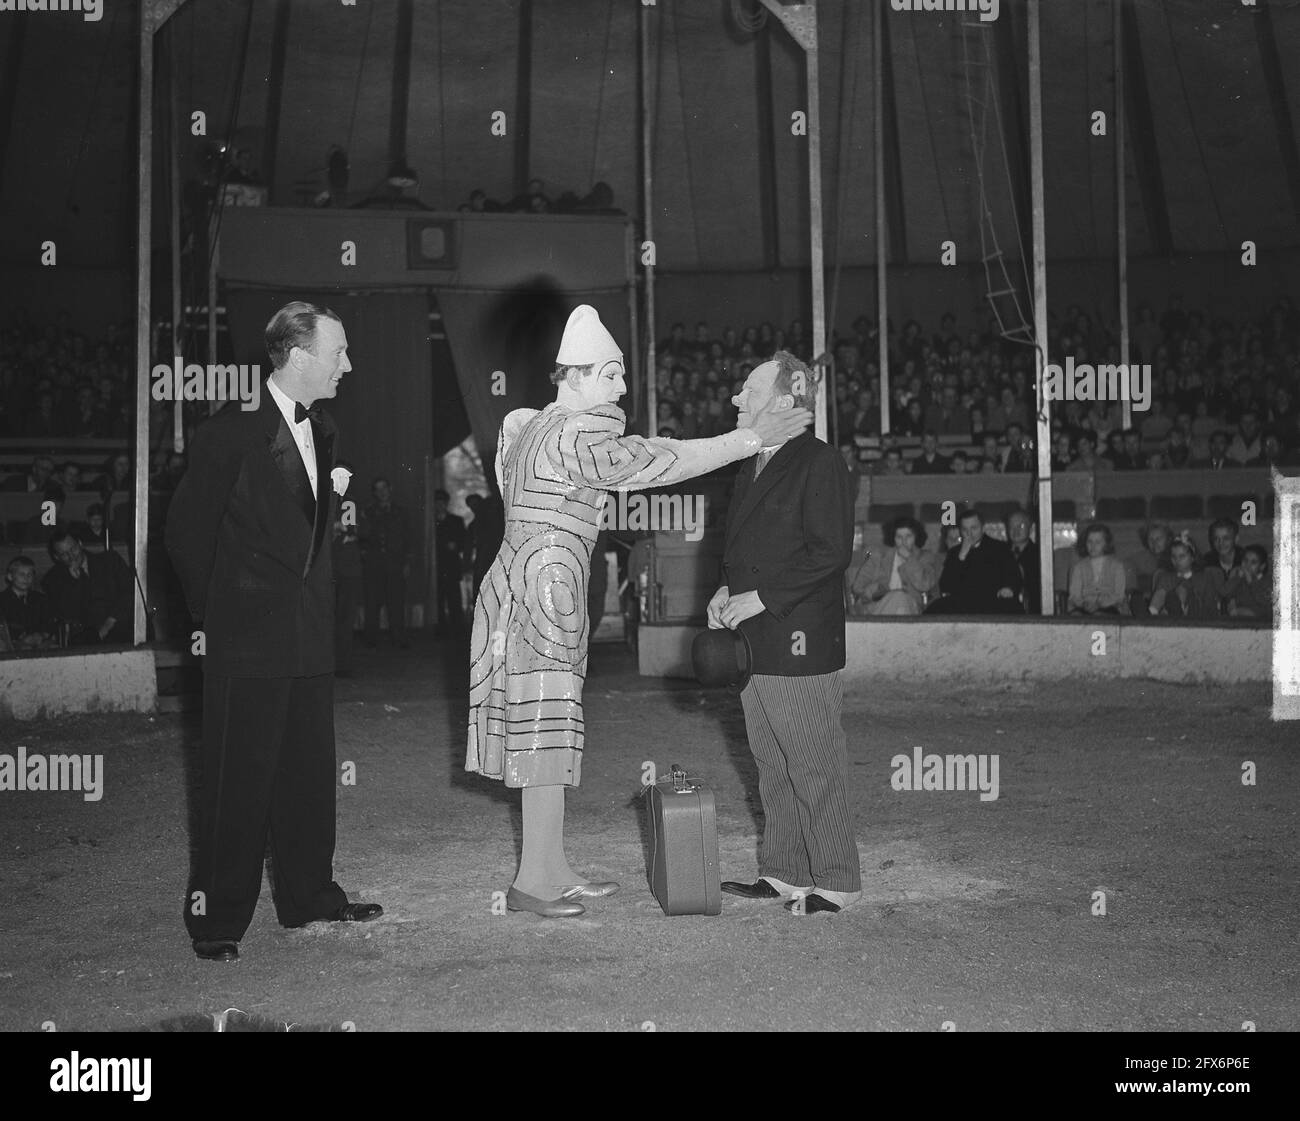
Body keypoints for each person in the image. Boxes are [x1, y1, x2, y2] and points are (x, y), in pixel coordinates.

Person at [466, 307, 811, 918]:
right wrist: (749, 439)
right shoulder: (574, 434)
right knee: (544, 731)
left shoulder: (534, 426)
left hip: (538, 586)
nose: (623, 388)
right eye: (613, 374)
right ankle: (532, 883)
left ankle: (549, 866)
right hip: (544, 589)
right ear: (575, 377)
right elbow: (657, 461)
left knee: (549, 730)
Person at [165, 300, 382, 963]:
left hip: (309, 637)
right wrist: (219, 618)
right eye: (338, 351)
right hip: (245, 638)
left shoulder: (329, 430)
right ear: (297, 355)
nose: (347, 363)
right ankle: (218, 919)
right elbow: (183, 535)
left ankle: (310, 896)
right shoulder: (226, 435)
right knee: (238, 781)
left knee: (308, 777)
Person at [710, 350, 858, 914]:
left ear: (784, 400)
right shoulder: (751, 464)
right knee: (772, 766)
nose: (736, 399)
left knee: (814, 765)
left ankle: (837, 881)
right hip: (753, 642)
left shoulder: (818, 461)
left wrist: (762, 598)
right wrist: (723, 590)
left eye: (748, 390)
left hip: (799, 642)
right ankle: (785, 873)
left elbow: (830, 552)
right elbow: (739, 552)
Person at [42, 528, 134, 645]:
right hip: (86, 638)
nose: (71, 556)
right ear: (56, 557)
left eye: (73, 549)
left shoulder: (110, 561)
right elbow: (67, 615)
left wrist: (109, 623)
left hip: (120, 625)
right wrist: (74, 582)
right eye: (64, 554)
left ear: (80, 544)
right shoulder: (52, 579)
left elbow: (129, 593)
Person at [926, 508, 1023, 614]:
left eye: (974, 528)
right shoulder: (955, 552)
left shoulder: (1000, 548)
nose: (969, 534)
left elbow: (1014, 576)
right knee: (935, 610)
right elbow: (946, 586)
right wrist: (961, 557)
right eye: (965, 530)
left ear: (982, 528)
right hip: (962, 604)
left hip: (993, 602)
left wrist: (1008, 588)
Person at [359, 477, 414, 648]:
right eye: (377, 489)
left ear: (390, 489)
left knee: (396, 602)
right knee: (372, 602)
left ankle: (398, 638)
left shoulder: (402, 512)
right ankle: (370, 640)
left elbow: (409, 539)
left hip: (395, 564)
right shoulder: (367, 512)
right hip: (374, 564)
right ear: (374, 493)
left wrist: (407, 562)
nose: (381, 492)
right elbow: (362, 537)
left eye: (384, 488)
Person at [848, 516, 940, 615]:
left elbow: (924, 585)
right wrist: (877, 589)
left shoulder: (925, 558)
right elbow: (857, 587)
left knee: (901, 598)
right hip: (878, 607)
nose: (903, 542)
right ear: (893, 538)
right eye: (899, 537)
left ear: (916, 537)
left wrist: (910, 559)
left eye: (908, 536)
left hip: (911, 609)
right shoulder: (878, 557)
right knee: (898, 597)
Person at [1148, 537, 1219, 619]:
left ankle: (1179, 610)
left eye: (1182, 556)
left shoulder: (1204, 577)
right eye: (1173, 557)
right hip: (1170, 620)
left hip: (1198, 618)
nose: (1177, 560)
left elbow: (1210, 605)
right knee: (1166, 594)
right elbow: (1159, 596)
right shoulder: (1166, 577)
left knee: (1184, 590)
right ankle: (1158, 611)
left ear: (1192, 557)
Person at [1067, 522, 1129, 615]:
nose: (1093, 546)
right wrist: (1084, 604)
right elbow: (1074, 595)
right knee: (1076, 616)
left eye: (1098, 542)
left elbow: (1119, 595)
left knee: (1099, 616)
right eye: (1089, 541)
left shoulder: (1117, 566)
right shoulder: (1079, 567)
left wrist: (1100, 605)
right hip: (1084, 607)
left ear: (1106, 543)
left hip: (1110, 607)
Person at [0, 555, 56, 649]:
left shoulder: (41, 599)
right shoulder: (2, 600)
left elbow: (49, 623)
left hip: (39, 642)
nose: (26, 578)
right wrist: (21, 639)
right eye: (21, 574)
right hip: (11, 644)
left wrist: (41, 635)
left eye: (30, 574)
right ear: (10, 577)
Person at [433, 488, 467, 636]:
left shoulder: (456, 521)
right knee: (438, 600)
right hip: (436, 567)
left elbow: (465, 542)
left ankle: (457, 631)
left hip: (451, 567)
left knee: (454, 600)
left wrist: (456, 545)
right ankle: (440, 630)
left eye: (442, 502)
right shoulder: (429, 523)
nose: (439, 505)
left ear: (446, 503)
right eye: (437, 502)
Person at [465, 491, 506, 601]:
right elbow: (469, 549)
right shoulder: (472, 527)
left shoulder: (496, 522)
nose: (474, 508)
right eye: (472, 505)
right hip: (482, 563)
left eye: (476, 504)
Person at [1006, 508, 1041, 614]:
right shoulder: (1000, 552)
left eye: (1020, 526)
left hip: (1032, 612)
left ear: (1030, 529)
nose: (1016, 531)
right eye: (1011, 527)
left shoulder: (1039, 554)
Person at [1224, 545, 1271, 618]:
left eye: (1253, 562)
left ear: (1262, 566)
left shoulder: (1267, 581)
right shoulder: (1240, 579)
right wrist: (1236, 578)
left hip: (1261, 623)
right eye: (1245, 560)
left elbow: (1265, 603)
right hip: (1238, 621)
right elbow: (1225, 593)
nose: (1247, 565)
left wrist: (1251, 582)